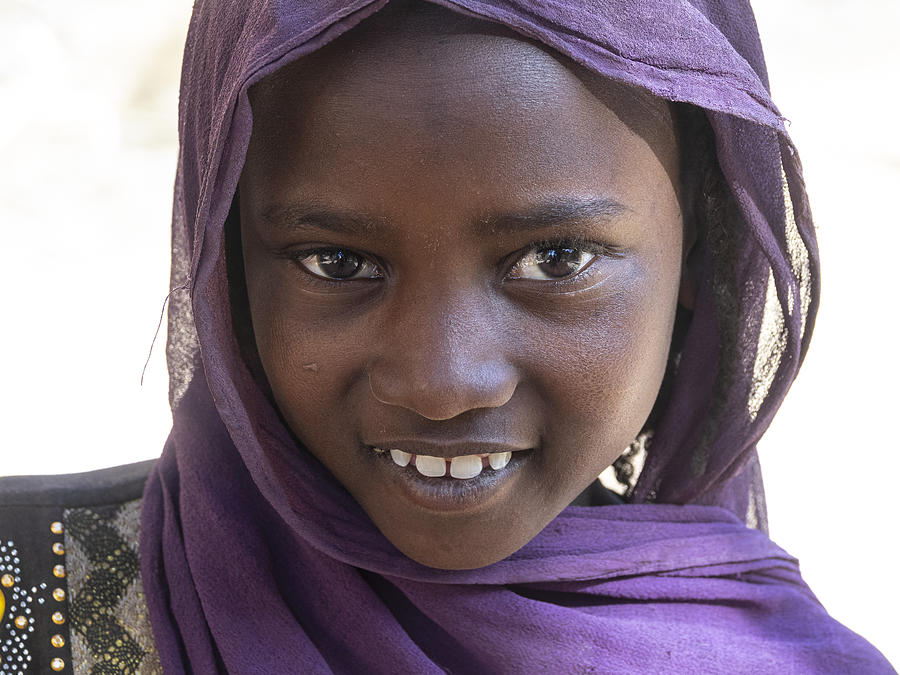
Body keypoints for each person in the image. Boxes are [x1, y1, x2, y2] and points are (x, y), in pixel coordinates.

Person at [0, 0, 894, 672]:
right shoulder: (24, 600)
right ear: (226, 262)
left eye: (553, 258)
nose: (441, 380)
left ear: (699, 240)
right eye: (338, 264)